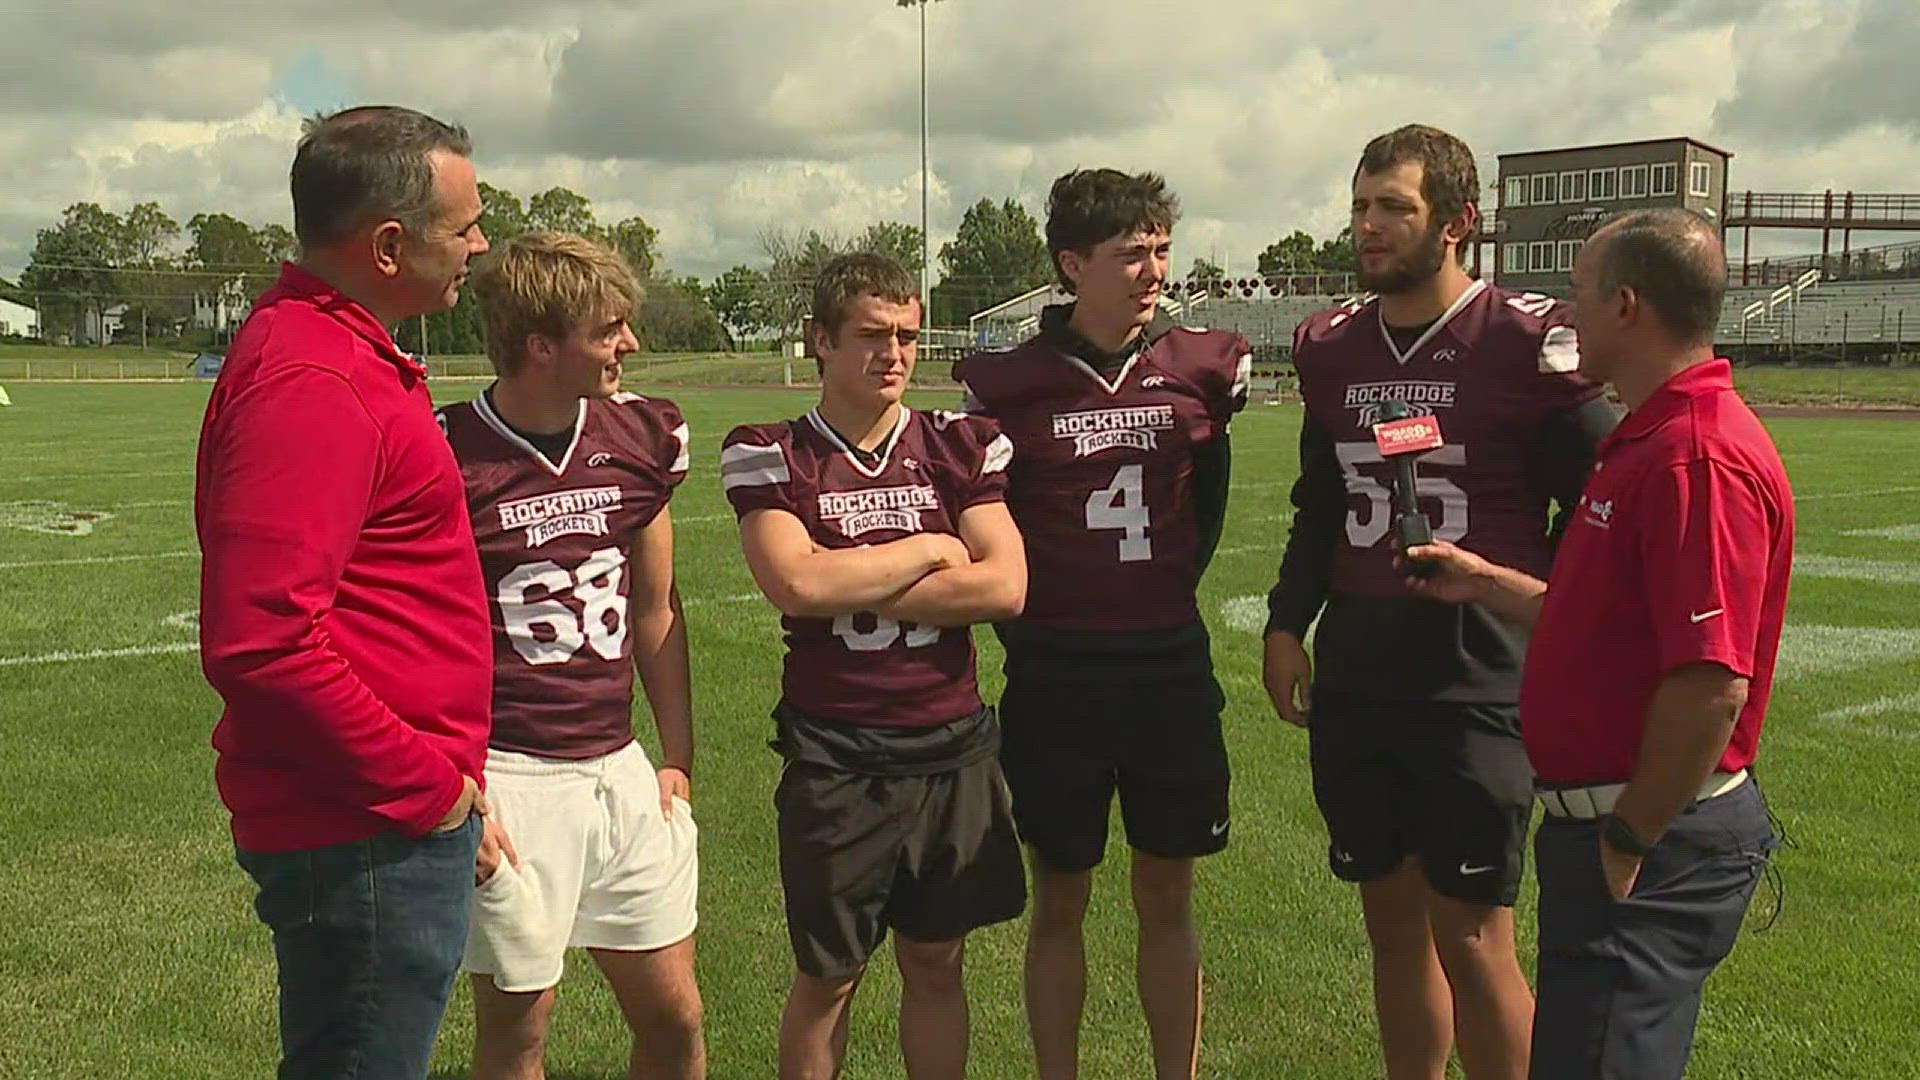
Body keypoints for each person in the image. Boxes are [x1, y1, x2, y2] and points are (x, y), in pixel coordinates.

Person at [1261, 124, 1619, 1080]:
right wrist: (1288, 622)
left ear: (1458, 222)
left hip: (1477, 671)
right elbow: (1322, 502)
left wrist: (1542, 605)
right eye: (1361, 208)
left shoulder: (1528, 338)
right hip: (1364, 667)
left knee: (1472, 938)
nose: (1369, 228)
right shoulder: (1330, 347)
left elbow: (1604, 503)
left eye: (1394, 209)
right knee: (1392, 930)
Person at [1403, 208, 1789, 1080]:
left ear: (1626, 305)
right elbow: (1615, 629)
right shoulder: (1650, 436)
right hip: (1616, 826)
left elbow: (1710, 682)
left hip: (1649, 834)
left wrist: (1629, 836)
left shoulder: (1695, 458)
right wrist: (1486, 583)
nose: (1566, 317)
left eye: (1578, 294)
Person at [194, 105, 493, 1078]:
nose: (481, 245)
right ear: (389, 244)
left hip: (380, 820)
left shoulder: (340, 351)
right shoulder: (313, 375)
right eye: (465, 227)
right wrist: (432, 792)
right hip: (365, 831)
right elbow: (263, 643)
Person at [953, 169, 1250, 1080]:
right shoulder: (1006, 383)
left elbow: (1210, 506)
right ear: (1071, 264)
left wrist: (1159, 598)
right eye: (1131, 254)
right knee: (1061, 899)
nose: (1152, 270)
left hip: (1166, 669)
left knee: (1169, 893)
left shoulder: (1202, 364)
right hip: (1057, 676)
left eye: (1161, 249)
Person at [723, 252, 1028, 1080]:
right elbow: (796, 581)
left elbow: (1003, 585)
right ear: (819, 340)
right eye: (869, 335)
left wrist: (852, 575)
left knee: (937, 962)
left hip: (950, 748)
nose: (893, 354)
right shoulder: (772, 451)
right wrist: (932, 548)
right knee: (830, 977)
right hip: (838, 756)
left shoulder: (958, 442)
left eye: (905, 336)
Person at [440, 231, 703, 1079]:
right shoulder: (445, 452)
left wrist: (677, 759)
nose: (630, 344)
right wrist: (459, 784)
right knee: (520, 1029)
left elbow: (656, 610)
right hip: (510, 771)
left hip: (617, 769)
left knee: (676, 1016)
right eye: (609, 328)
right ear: (541, 345)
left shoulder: (641, 435)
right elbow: (410, 641)